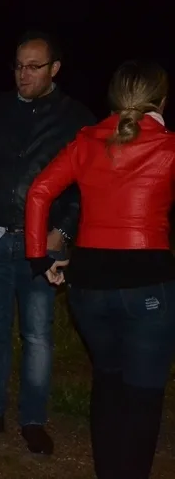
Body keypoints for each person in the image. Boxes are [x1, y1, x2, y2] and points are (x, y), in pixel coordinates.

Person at [25, 60, 175, 479]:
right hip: (147, 285)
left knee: (108, 383)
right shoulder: (169, 147)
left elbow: (39, 191)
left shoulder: (87, 140)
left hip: (88, 285)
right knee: (143, 398)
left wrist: (39, 257)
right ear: (161, 100)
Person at [0, 31, 95, 454]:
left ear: (55, 69)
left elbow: (86, 184)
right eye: (18, 66)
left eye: (34, 67)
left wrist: (62, 230)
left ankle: (33, 420)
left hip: (43, 247)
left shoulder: (75, 118)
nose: (23, 74)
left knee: (37, 335)